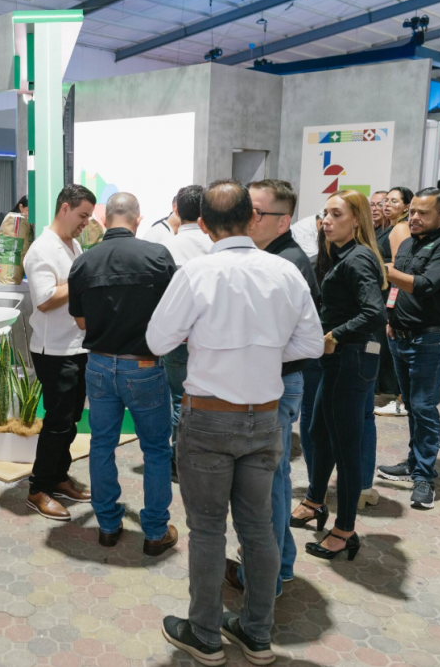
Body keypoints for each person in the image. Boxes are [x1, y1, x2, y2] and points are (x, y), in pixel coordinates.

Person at [147, 180, 323, 667]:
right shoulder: (285, 272)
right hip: (264, 417)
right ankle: (257, 634)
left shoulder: (195, 273)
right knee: (259, 529)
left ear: (203, 225)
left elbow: (158, 341)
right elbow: (311, 344)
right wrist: (261, 353)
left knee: (207, 531)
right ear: (250, 218)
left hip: (208, 417)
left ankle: (205, 635)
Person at [68, 192, 178, 554]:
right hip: (143, 365)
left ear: (105, 218)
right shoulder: (157, 256)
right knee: (156, 450)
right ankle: (155, 532)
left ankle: (107, 526)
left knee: (101, 444)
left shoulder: (83, 261)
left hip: (99, 364)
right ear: (138, 219)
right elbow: (172, 314)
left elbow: (80, 321)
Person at [228, 179, 318, 598]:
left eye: (257, 212)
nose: (248, 219)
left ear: (283, 221)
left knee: (264, 484)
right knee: (273, 479)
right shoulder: (270, 257)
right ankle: (278, 565)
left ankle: (265, 578)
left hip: (277, 384)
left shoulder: (288, 264)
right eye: (246, 209)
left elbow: (305, 340)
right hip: (274, 382)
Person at [290, 190, 386, 562]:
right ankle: (316, 501)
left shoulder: (357, 258)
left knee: (346, 448)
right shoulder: (343, 253)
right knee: (318, 432)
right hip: (342, 360)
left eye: (336, 214)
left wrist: (335, 335)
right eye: (325, 214)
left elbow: (374, 312)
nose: (326, 221)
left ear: (357, 220)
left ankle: (345, 530)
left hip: (350, 359)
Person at [378, 188, 440, 510]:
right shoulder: (407, 243)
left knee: (424, 407)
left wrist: (384, 269)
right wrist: (391, 317)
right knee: (412, 406)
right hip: (400, 335)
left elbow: (425, 285)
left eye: (423, 213)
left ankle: (424, 477)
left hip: (432, 338)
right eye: (412, 211)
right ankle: (413, 462)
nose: (414, 217)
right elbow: (398, 287)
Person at [22, 184, 96, 521]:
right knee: (57, 422)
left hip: (77, 344)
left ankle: (59, 476)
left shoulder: (74, 244)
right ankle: (38, 488)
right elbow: (45, 299)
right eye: (82, 215)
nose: (85, 223)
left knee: (71, 420)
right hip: (53, 350)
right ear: (65, 208)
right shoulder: (41, 249)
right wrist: (82, 282)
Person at [155, 185, 209, 482]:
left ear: (177, 209)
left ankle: (178, 460)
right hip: (211, 339)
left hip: (177, 338)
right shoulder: (216, 246)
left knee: (178, 400)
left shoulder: (166, 247)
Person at [374, 186, 414, 418]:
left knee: (389, 342)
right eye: (386, 201)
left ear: (407, 206)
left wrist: (392, 304)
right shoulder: (387, 227)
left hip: (390, 292)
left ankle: (400, 397)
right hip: (383, 291)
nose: (387, 205)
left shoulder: (400, 228)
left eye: (394, 201)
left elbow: (400, 267)